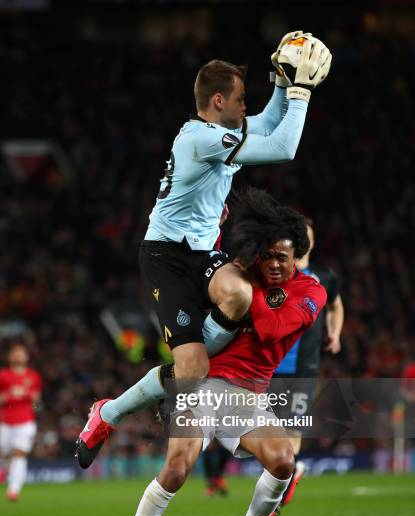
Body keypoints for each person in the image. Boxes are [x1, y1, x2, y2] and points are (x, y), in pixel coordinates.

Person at [75, 32, 332, 470]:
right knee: (192, 370)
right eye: (239, 100)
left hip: (203, 250)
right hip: (167, 256)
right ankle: (108, 413)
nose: (244, 107)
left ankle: (184, 372)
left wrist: (280, 78)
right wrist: (301, 91)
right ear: (217, 101)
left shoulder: (221, 133)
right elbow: (283, 146)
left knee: (238, 296)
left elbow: (269, 125)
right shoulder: (201, 139)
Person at [104, 188, 327, 516]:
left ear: (297, 259)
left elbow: (273, 327)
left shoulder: (310, 292)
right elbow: (205, 270)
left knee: (282, 462)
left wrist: (244, 294)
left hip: (247, 397)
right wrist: (219, 238)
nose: (274, 264)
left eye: (283, 257)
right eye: (268, 255)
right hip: (202, 387)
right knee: (176, 469)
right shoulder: (242, 275)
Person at [260, 217, 344, 516]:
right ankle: (288, 482)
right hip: (268, 367)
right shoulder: (277, 274)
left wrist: (334, 335)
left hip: (303, 371)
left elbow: (336, 307)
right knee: (267, 440)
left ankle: (271, 511)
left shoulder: (324, 278)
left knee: (290, 437)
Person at [0, 343, 42, 501]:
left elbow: (36, 401)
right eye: (15, 353)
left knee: (19, 453)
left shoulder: (33, 376)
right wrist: (9, 395)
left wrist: (26, 394)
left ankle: (14, 490)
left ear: (26, 356)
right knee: (5, 453)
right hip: (6, 421)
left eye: (21, 353)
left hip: (26, 421)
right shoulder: (3, 375)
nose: (18, 355)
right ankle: (5, 471)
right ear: (10, 357)